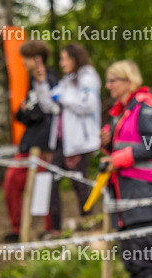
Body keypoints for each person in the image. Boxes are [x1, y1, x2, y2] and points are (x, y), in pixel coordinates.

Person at [100, 60, 152, 278]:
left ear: (127, 81)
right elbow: (127, 147)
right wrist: (109, 143)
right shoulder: (122, 112)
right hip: (126, 194)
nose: (108, 86)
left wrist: (116, 159)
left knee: (145, 258)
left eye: (112, 81)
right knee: (131, 258)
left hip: (144, 192)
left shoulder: (144, 107)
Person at [3, 40, 59, 242]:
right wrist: (27, 112)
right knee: (11, 182)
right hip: (27, 144)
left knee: (44, 187)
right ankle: (18, 229)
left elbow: (49, 111)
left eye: (25, 58)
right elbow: (20, 113)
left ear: (36, 59)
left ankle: (51, 230)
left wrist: (29, 112)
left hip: (42, 147)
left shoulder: (50, 79)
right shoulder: (31, 82)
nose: (22, 63)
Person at [49, 44, 101, 233]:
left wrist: (62, 97)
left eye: (64, 59)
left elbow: (87, 105)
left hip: (80, 142)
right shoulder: (67, 80)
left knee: (80, 184)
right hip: (62, 141)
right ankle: (56, 228)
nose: (61, 63)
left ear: (75, 58)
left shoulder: (88, 77)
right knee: (51, 181)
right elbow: (51, 100)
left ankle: (88, 224)